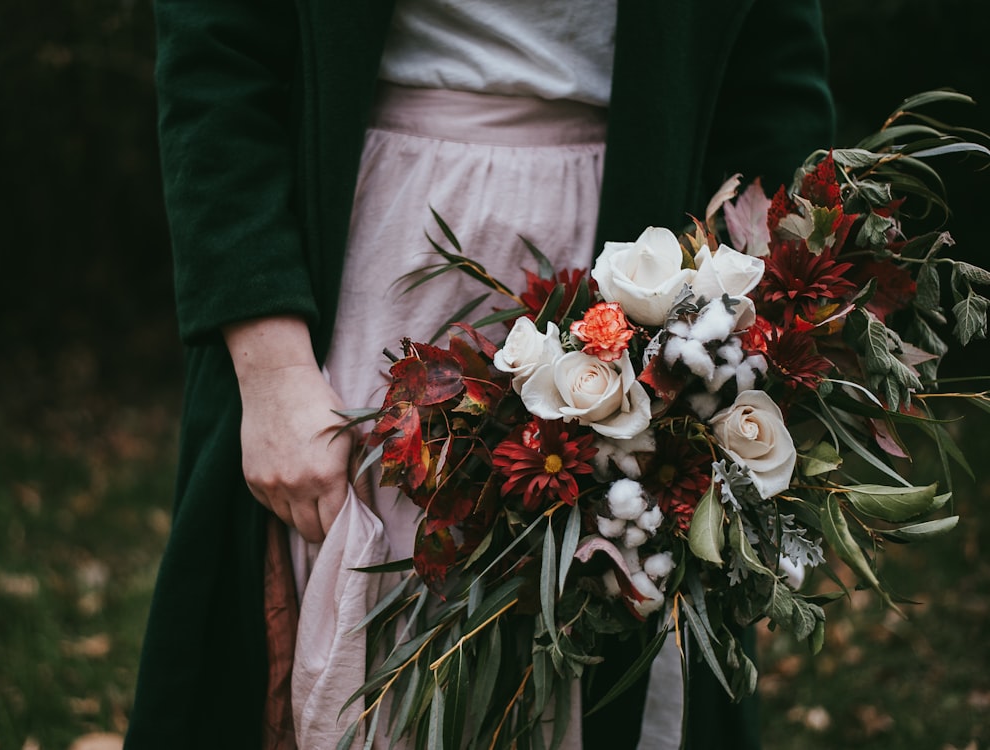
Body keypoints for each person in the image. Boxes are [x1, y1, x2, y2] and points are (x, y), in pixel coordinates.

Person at [126, 1, 834, 748]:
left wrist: (750, 328)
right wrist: (271, 368)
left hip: (645, 257)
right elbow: (217, 52)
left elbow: (772, 87)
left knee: (601, 632)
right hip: (379, 253)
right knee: (379, 636)